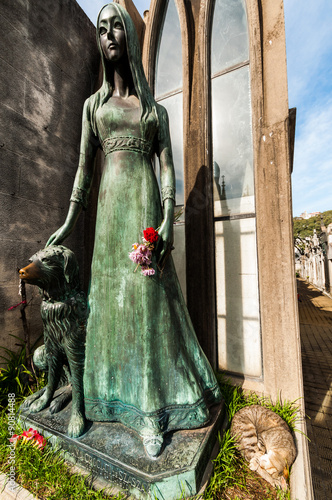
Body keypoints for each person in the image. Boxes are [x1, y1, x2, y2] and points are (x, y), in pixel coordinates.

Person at [47, 1, 221, 459]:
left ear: (128, 35)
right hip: (108, 217)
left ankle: (151, 411)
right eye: (100, 30)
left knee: (147, 307)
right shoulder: (93, 108)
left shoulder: (154, 111)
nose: (107, 36)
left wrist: (166, 220)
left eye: (115, 28)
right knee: (107, 306)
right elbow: (84, 172)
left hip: (144, 211)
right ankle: (105, 400)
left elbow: (167, 171)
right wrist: (67, 223)